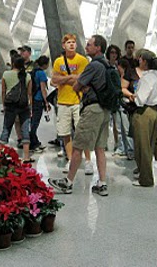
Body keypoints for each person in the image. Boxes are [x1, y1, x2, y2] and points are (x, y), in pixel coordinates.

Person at [49, 35, 111, 196]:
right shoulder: (107, 64)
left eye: (90, 45)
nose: (86, 47)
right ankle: (102, 183)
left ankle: (68, 182)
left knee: (78, 146)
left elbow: (77, 86)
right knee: (100, 148)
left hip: (92, 109)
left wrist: (73, 81)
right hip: (105, 110)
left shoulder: (92, 66)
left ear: (98, 48)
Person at [51, 34, 93, 175]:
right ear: (64, 45)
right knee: (65, 133)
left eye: (73, 42)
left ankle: (87, 161)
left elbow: (82, 79)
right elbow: (53, 80)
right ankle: (70, 159)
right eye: (68, 42)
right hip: (63, 101)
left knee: (82, 132)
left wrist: (63, 79)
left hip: (78, 101)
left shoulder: (82, 60)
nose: (71, 45)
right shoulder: (58, 61)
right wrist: (71, 77)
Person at [130, 50, 157, 186]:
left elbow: (141, 99)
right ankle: (149, 173)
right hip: (155, 111)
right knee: (151, 142)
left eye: (140, 59)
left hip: (144, 112)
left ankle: (145, 178)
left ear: (145, 62)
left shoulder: (147, 78)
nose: (138, 61)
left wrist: (133, 97)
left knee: (143, 146)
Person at [0, 55, 33, 163]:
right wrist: (30, 108)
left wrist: (4, 105)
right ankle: (26, 157)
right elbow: (29, 94)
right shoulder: (27, 76)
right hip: (24, 107)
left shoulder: (6, 74)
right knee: (25, 130)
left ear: (13, 63)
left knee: (6, 129)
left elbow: (4, 91)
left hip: (10, 106)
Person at [30, 55, 51, 151]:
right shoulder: (41, 74)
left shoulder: (33, 72)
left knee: (32, 120)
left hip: (32, 99)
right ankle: (32, 142)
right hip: (38, 99)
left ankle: (34, 141)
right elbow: (43, 89)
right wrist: (46, 102)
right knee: (35, 122)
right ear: (45, 64)